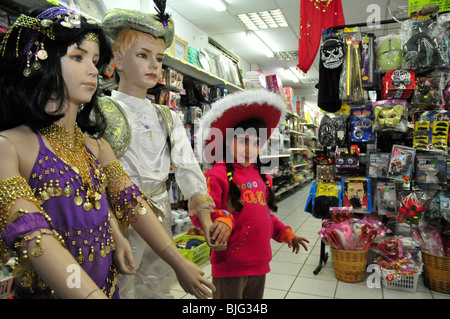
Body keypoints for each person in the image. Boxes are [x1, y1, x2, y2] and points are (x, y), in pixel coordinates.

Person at [0, 5, 213, 299]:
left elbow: (131, 202)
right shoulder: (10, 146)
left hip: (110, 279)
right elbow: (35, 236)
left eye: (95, 60)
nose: (93, 70)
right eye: (78, 57)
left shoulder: (95, 146)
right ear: (41, 60)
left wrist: (177, 260)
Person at [100, 3, 219, 299]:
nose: (154, 65)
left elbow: (188, 167)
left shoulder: (168, 116)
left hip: (162, 215)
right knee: (120, 286)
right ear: (117, 58)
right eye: (143, 55)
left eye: (159, 58)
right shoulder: (102, 110)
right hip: (118, 218)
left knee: (157, 284)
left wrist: (205, 217)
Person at [192, 89, 310, 299]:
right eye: (244, 140)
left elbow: (263, 217)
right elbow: (197, 211)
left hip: (259, 264)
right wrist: (222, 218)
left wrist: (286, 234)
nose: (251, 148)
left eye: (257, 143)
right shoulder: (217, 175)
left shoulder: (262, 177)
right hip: (230, 265)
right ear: (228, 141)